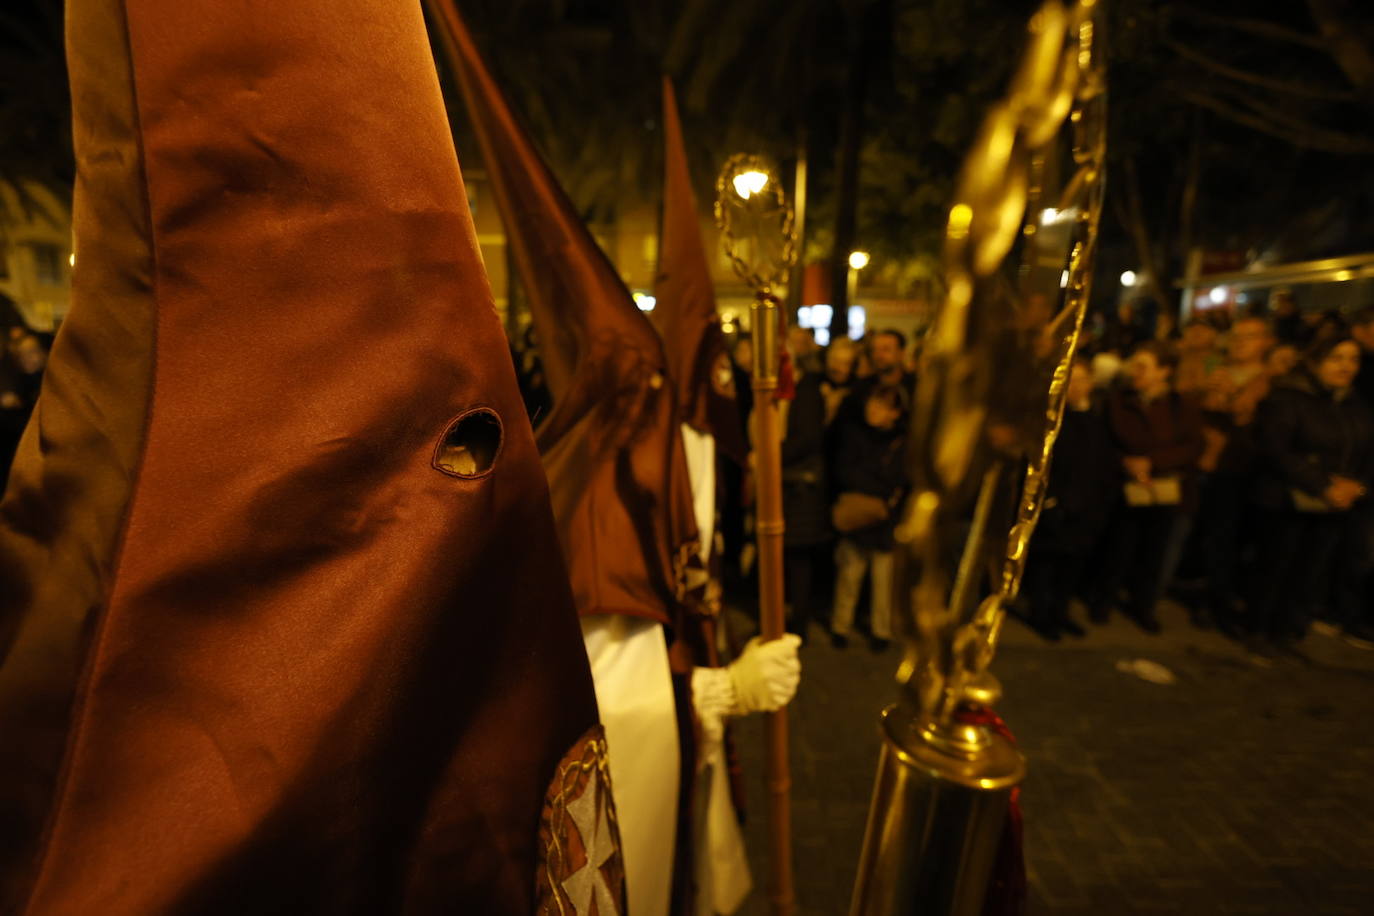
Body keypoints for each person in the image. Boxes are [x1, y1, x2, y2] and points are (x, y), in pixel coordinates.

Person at [1248, 336, 1374, 656]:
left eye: (1353, 359)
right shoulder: (1289, 398)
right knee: (1278, 566)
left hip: (1335, 504)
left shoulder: (1355, 405)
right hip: (1289, 500)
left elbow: (1366, 451)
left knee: (1310, 570)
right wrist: (1321, 485)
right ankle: (1261, 628)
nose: (1346, 366)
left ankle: (1289, 628)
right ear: (1316, 361)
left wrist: (1358, 486)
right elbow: (1277, 450)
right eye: (1337, 358)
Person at [1092, 341, 1205, 633]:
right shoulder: (1118, 401)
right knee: (1118, 547)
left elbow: (1193, 445)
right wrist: (1127, 462)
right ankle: (1103, 600)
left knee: (1156, 552)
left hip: (1166, 490)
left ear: (1164, 371)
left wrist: (1152, 462)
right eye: (1134, 364)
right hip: (1126, 487)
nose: (1135, 371)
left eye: (1143, 366)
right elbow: (1105, 440)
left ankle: (1144, 605)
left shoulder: (1183, 407)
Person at [1023, 356, 1116, 640]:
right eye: (1070, 381)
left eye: (1081, 380)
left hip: (1086, 510)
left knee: (1071, 567)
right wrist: (1050, 502)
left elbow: (1102, 464)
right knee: (1046, 566)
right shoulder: (1050, 421)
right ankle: (1041, 614)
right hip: (1056, 509)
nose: (1076, 387)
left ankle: (1061, 612)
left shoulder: (1097, 419)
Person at [1190, 316, 1273, 630]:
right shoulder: (1216, 370)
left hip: (1239, 470)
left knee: (1227, 538)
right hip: (1204, 462)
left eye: (1249, 337)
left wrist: (1233, 401)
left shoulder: (1270, 380)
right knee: (1204, 533)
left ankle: (1217, 597)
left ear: (1265, 342)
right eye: (1235, 337)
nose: (1239, 343)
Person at [829, 383, 908, 651]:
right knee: (849, 575)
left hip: (886, 521)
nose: (873, 409)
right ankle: (840, 626)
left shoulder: (901, 442)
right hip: (858, 517)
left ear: (895, 413)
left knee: (883, 580)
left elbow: (898, 480)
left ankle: (880, 630)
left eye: (882, 405)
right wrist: (876, 489)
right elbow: (845, 471)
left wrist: (873, 488)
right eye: (872, 402)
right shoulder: (854, 434)